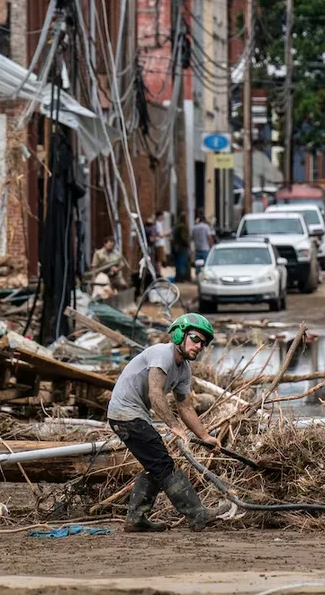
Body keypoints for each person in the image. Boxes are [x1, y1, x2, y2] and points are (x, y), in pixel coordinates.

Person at [107, 313, 231, 532]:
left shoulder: (184, 369)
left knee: (155, 464)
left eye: (203, 343)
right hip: (125, 414)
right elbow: (156, 395)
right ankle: (196, 513)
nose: (199, 346)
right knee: (163, 464)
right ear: (179, 335)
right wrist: (175, 426)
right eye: (195, 338)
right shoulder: (161, 354)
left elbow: (185, 406)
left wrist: (204, 436)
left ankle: (136, 519)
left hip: (135, 416)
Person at [172, 212, 191, 283]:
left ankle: (178, 277)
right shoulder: (182, 227)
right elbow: (184, 238)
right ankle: (181, 278)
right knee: (182, 263)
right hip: (182, 247)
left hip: (177, 247)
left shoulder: (177, 226)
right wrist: (187, 244)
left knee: (178, 263)